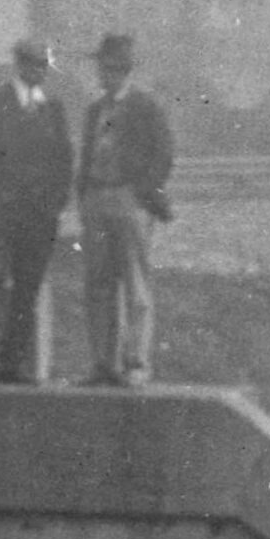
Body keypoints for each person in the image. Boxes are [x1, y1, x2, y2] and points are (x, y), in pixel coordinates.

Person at [0, 38, 73, 379]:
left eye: (44, 65)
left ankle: (13, 362)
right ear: (20, 65)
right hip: (1, 213)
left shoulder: (53, 110)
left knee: (27, 288)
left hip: (39, 216)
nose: (40, 71)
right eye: (34, 64)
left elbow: (65, 162)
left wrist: (54, 203)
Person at [72, 33, 175, 385]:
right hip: (97, 201)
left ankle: (136, 363)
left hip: (129, 202)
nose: (103, 74)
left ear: (123, 70)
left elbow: (164, 154)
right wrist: (84, 196)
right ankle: (103, 364)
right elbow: (87, 155)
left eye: (110, 68)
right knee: (98, 284)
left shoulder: (146, 107)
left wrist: (140, 192)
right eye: (102, 67)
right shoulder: (94, 110)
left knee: (135, 285)